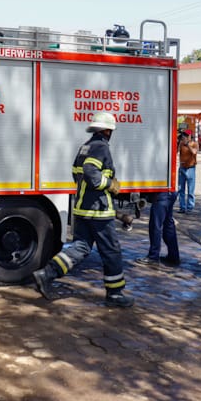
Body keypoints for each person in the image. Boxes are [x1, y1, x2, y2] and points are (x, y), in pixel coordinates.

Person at [32, 112, 134, 308]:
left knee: (81, 247)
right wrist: (110, 184)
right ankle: (115, 294)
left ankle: (46, 274)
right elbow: (91, 174)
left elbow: (76, 173)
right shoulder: (100, 147)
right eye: (110, 130)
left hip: (82, 208)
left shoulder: (84, 147)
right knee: (111, 251)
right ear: (107, 130)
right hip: (99, 212)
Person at [135, 191, 180, 267]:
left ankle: (153, 256)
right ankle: (173, 256)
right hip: (171, 193)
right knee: (168, 225)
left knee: (155, 226)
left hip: (162, 195)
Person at [177, 129, 199, 213]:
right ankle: (182, 207)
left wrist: (188, 145)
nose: (184, 137)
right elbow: (178, 152)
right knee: (181, 189)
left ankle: (190, 207)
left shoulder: (194, 143)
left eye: (186, 136)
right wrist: (180, 143)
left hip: (191, 168)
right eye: (184, 136)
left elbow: (194, 152)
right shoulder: (181, 143)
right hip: (182, 168)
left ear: (190, 136)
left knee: (190, 190)